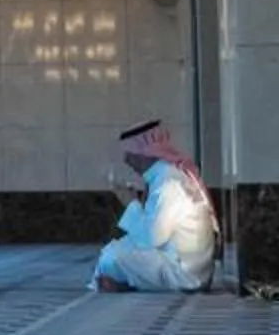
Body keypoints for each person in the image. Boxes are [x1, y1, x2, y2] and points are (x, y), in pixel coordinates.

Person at [92, 119, 216, 292]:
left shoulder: (168, 182)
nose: (127, 160)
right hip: (184, 264)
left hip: (184, 273)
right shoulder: (165, 175)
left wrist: (131, 203)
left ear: (143, 153)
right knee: (117, 248)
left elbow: (151, 238)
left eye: (130, 154)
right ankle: (122, 282)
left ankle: (122, 283)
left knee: (111, 258)